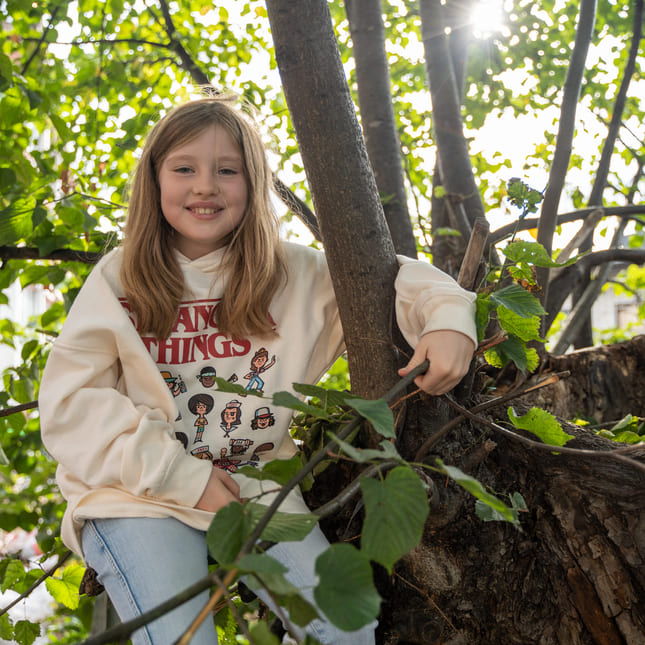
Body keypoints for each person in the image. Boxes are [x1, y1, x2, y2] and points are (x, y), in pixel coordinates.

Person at [39, 96, 478, 645]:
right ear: (154, 181)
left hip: (255, 485)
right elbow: (70, 407)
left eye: (228, 170)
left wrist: (449, 321)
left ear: (255, 184)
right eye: (184, 169)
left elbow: (393, 279)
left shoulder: (290, 273)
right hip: (138, 492)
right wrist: (187, 479)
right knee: (181, 637)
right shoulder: (120, 278)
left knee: (345, 632)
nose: (205, 186)